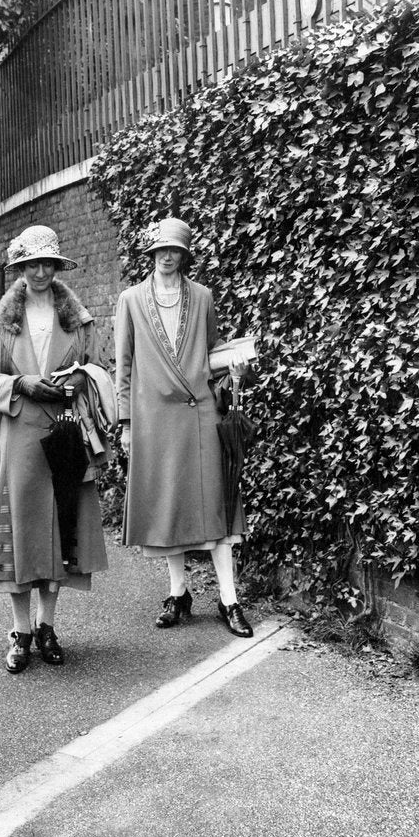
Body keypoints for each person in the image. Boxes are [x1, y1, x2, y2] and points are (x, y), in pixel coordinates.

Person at [0, 225, 108, 674]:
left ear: (57, 267)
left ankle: (48, 626)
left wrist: (78, 379)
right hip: (21, 439)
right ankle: (21, 631)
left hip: (65, 433)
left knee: (59, 532)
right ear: (21, 270)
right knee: (21, 534)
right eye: (32, 264)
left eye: (47, 263)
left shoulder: (77, 321)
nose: (40, 271)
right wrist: (20, 383)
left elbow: (99, 369)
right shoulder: (1, 323)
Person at [115, 217, 253, 638]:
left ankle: (229, 599)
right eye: (160, 249)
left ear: (185, 255)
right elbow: (123, 365)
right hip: (155, 420)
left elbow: (210, 352)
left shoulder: (204, 297)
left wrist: (236, 369)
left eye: (174, 249)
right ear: (151, 254)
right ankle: (179, 593)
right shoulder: (131, 300)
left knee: (217, 505)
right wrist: (125, 423)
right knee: (169, 507)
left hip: (200, 415)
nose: (167, 256)